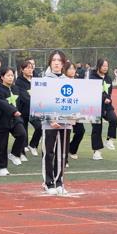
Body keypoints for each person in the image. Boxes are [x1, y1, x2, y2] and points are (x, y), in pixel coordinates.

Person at [42, 50, 72, 195]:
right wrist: (50, 118)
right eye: (54, 60)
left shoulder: (67, 80)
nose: (56, 62)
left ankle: (59, 181)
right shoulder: (44, 80)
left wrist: (73, 117)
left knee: (62, 154)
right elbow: (40, 102)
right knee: (49, 152)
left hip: (65, 123)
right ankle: (48, 182)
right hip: (49, 123)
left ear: (63, 63)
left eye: (59, 60)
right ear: (50, 62)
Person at [0, 67, 26, 176]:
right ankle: (2, 168)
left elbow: (22, 101)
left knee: (22, 134)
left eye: (12, 75)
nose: (11, 78)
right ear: (2, 77)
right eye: (8, 75)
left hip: (15, 119)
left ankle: (14, 154)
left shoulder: (16, 89)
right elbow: (1, 103)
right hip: (1, 119)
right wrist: (13, 111)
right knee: (2, 145)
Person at [89, 58, 117, 160]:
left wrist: (108, 99)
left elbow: (109, 92)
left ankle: (109, 140)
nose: (105, 68)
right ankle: (97, 151)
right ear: (98, 66)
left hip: (107, 106)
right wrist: (103, 98)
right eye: (103, 66)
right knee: (97, 128)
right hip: (95, 106)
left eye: (107, 66)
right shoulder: (92, 77)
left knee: (114, 119)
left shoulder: (108, 78)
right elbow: (94, 91)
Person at [15, 59, 40, 159]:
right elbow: (24, 97)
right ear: (22, 70)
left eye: (31, 68)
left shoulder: (37, 80)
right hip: (23, 111)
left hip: (34, 111)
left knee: (40, 127)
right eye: (28, 68)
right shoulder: (19, 82)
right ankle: (21, 153)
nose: (30, 70)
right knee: (23, 133)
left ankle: (33, 144)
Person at [64, 62, 86, 161]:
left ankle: (72, 149)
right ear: (65, 70)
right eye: (70, 69)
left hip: (76, 112)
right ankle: (64, 159)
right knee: (66, 133)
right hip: (65, 112)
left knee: (81, 131)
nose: (72, 71)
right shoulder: (61, 81)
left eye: (73, 69)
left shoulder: (78, 82)